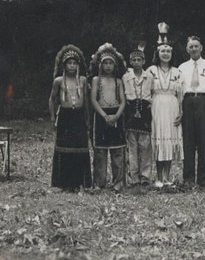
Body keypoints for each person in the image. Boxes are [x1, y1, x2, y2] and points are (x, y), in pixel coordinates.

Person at [49, 44, 92, 190]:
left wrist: (87, 119)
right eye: (69, 63)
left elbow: (86, 101)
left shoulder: (83, 80)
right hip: (65, 117)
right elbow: (52, 100)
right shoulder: (59, 81)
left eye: (74, 63)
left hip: (79, 116)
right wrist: (53, 118)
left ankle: (79, 182)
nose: (72, 66)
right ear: (64, 65)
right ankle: (63, 183)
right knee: (64, 148)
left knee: (79, 148)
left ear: (78, 65)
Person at [178, 36, 205, 188]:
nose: (193, 49)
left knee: (203, 140)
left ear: (201, 48)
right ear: (187, 49)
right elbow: (179, 89)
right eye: (191, 46)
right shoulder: (181, 67)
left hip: (204, 101)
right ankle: (188, 179)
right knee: (188, 140)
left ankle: (203, 179)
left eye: (196, 46)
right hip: (187, 101)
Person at [147, 24, 184, 187]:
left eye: (168, 51)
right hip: (156, 106)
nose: (166, 53)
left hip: (172, 106)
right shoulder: (151, 70)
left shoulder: (177, 72)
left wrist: (181, 112)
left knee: (169, 140)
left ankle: (167, 177)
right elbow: (146, 92)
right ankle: (158, 177)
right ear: (157, 53)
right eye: (163, 51)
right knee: (158, 138)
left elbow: (181, 95)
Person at [90, 43, 126, 192]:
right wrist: (104, 115)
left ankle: (118, 182)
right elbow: (93, 99)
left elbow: (123, 100)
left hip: (116, 114)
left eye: (111, 63)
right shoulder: (96, 81)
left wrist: (117, 115)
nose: (108, 66)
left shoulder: (118, 81)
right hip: (101, 115)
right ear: (100, 64)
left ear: (115, 65)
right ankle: (100, 182)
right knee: (100, 152)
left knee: (117, 151)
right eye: (105, 63)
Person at [122, 44, 153, 187]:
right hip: (131, 109)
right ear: (130, 62)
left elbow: (153, 94)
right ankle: (133, 177)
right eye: (133, 60)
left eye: (139, 60)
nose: (136, 63)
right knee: (132, 145)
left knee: (145, 146)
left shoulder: (150, 77)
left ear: (143, 61)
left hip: (145, 110)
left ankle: (145, 176)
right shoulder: (126, 77)